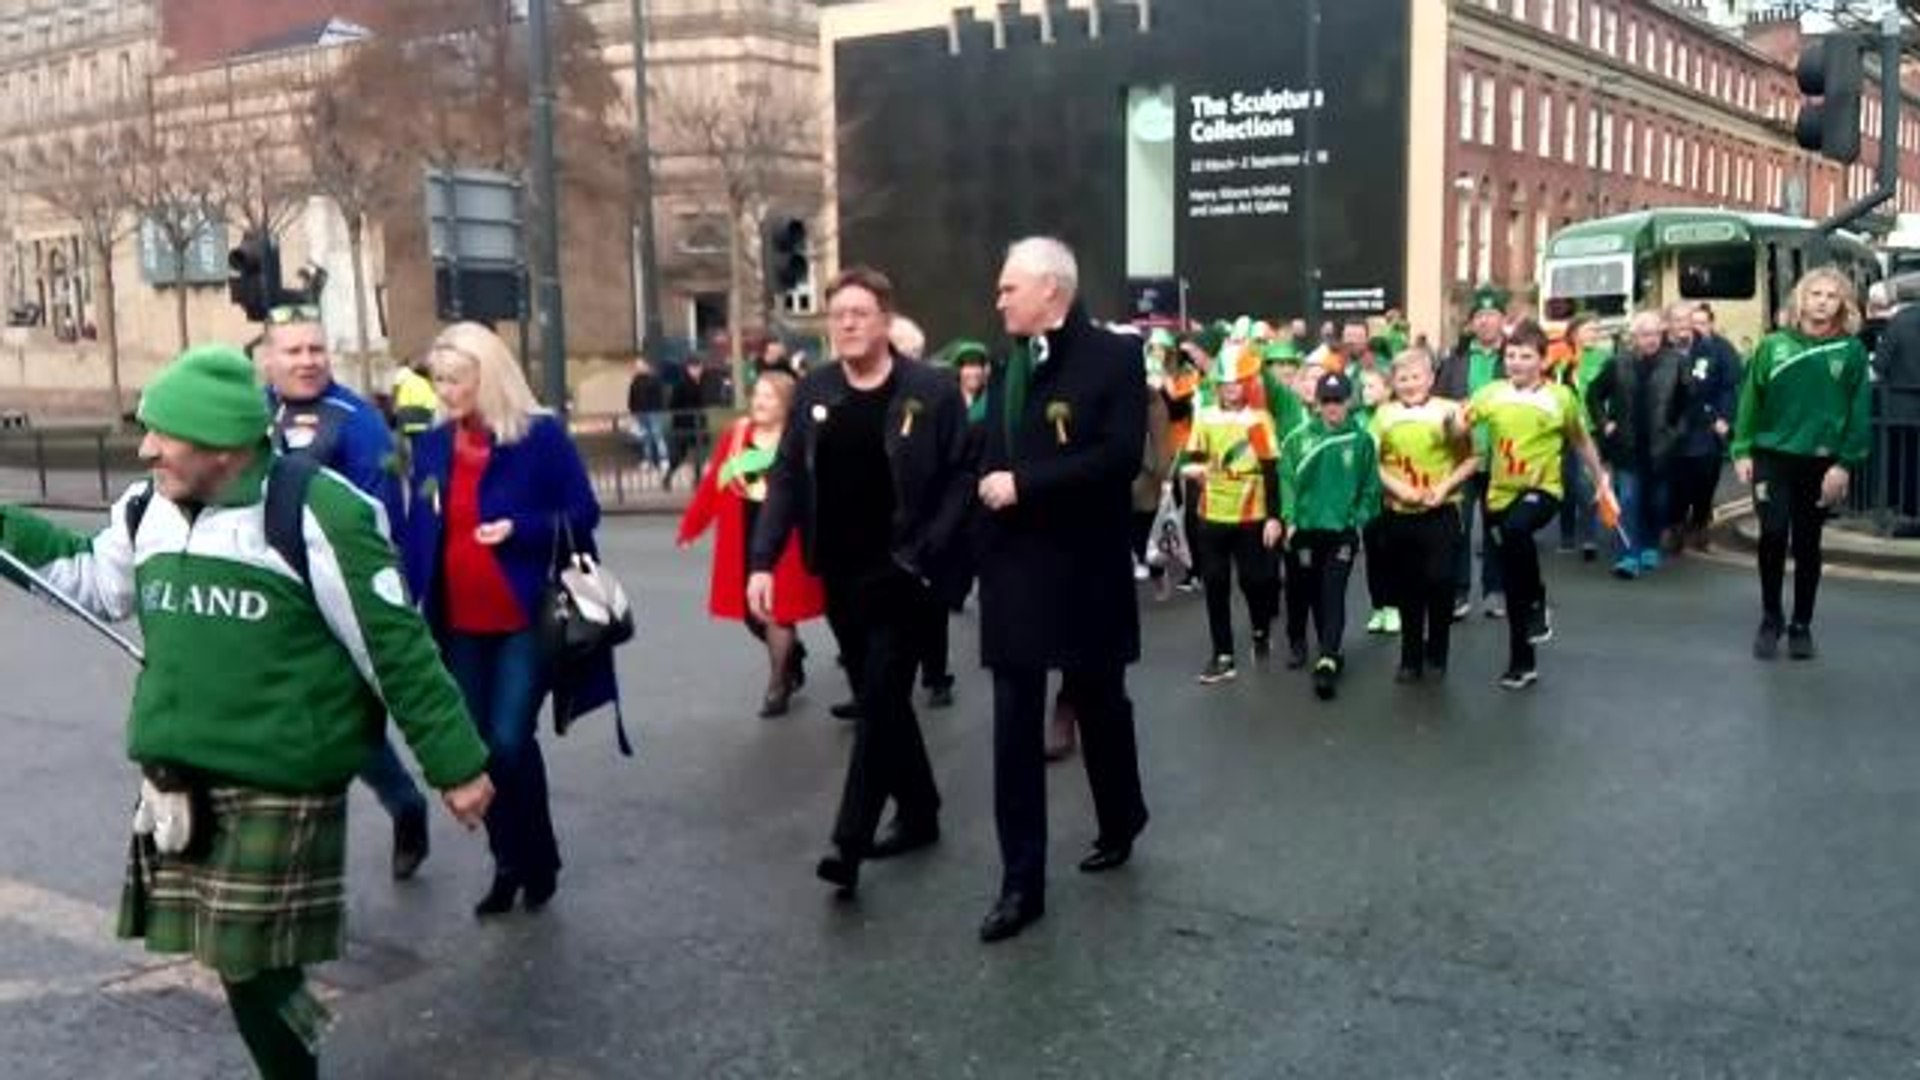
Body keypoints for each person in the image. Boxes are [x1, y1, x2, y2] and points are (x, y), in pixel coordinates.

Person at [0, 345, 493, 1079]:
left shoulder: (319, 512)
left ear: (223, 448)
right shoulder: (145, 509)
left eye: (163, 435)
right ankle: (295, 1046)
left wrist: (455, 764)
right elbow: (93, 581)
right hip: (182, 777)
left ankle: (295, 1061)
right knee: (238, 961)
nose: (146, 449)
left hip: (282, 777)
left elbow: (394, 645)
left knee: (248, 963)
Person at [748, 266, 974, 899]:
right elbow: (787, 475)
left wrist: (931, 548)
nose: (846, 323)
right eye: (838, 314)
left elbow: (961, 473)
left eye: (859, 313)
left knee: (878, 701)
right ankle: (920, 809)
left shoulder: (930, 389)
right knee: (883, 700)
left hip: (905, 572)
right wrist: (762, 560)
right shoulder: (816, 388)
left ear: (885, 321)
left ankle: (847, 843)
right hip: (840, 575)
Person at [401, 321, 617, 917]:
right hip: (458, 620)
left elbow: (583, 512)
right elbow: (419, 526)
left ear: (489, 376)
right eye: (439, 380)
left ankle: (536, 859)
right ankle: (509, 861)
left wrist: (519, 529)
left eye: (457, 379)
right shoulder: (432, 444)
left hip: (526, 613)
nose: (445, 391)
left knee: (509, 739)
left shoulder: (538, 436)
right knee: (479, 750)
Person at [974, 237, 1149, 943]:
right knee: (1013, 728)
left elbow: (1120, 457)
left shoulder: (1114, 358)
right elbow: (987, 462)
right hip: (1014, 573)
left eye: (1008, 288)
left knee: (1099, 701)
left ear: (1051, 289)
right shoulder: (1006, 365)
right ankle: (1021, 884)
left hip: (1084, 570)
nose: (999, 301)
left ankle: (1121, 817)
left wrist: (1028, 484)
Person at [258, 303, 433, 882]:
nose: (308, 360)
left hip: (339, 601)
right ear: (268, 358)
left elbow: (384, 519)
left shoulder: (359, 421)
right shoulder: (250, 415)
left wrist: (390, 598)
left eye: (316, 349)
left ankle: (404, 805)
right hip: (270, 604)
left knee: (347, 729)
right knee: (286, 726)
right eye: (294, 350)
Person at [1730, 267, 1872, 661]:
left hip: (1821, 463)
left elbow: (1859, 413)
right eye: (1816, 294)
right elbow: (1750, 400)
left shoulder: (1851, 351)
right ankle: (1770, 617)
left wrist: (1844, 464)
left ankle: (1801, 624)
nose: (1822, 302)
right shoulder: (1773, 346)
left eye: (1831, 296)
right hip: (1772, 457)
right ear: (1801, 300)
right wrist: (1742, 450)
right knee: (1773, 534)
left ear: (1842, 304)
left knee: (1807, 543)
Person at [1461, 321, 1612, 690]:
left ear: (1543, 361)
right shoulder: (1491, 394)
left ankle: (1538, 600)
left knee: (1517, 530)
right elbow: (1459, 426)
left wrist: (1601, 479)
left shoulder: (1560, 397)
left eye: (1525, 356)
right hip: (1499, 493)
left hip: (1543, 490)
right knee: (1513, 579)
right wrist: (1450, 425)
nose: (1516, 362)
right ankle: (1522, 662)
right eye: (1511, 355)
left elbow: (1580, 440)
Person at [679, 367, 823, 717]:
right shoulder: (737, 435)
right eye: (757, 394)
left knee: (777, 609)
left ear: (786, 403)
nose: (759, 402)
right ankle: (791, 655)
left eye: (769, 396)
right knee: (751, 614)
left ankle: (778, 684)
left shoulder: (799, 437)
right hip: (743, 533)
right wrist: (692, 527)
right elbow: (714, 483)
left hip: (786, 538)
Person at [1180, 340, 1283, 684]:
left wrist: (1274, 517)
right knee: (1215, 583)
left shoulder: (1259, 420)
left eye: (1237, 383)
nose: (1230, 389)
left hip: (1251, 514)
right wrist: (1191, 470)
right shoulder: (1205, 416)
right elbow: (1193, 458)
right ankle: (1222, 655)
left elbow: (1270, 469)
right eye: (1225, 383)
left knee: (1254, 580)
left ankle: (1260, 628)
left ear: (1248, 384)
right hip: (1211, 512)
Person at [1372, 347, 1477, 682]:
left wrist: (1444, 487)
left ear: (1430, 378)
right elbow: (1370, 462)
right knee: (1408, 587)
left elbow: (1472, 459)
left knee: (1440, 581)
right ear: (1393, 383)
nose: (1410, 384)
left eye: (1416, 376)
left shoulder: (1450, 411)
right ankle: (1410, 657)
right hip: (1400, 513)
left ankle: (1438, 651)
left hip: (1441, 510)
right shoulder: (1383, 415)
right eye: (1402, 378)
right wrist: (1398, 489)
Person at [1278, 370, 1380, 700]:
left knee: (1332, 592)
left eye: (1338, 400)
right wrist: (1289, 518)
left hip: (1341, 533)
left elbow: (1370, 488)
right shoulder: (1297, 439)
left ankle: (1328, 656)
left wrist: (1357, 518)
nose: (1332, 407)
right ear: (1317, 403)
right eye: (1326, 401)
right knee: (1303, 591)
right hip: (1305, 530)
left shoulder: (1361, 441)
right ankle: (1298, 639)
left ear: (1349, 402)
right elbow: (1286, 480)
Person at [1586, 310, 1689, 579]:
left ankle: (1650, 543)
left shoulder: (1676, 363)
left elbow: (1688, 403)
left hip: (1661, 446)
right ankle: (1628, 555)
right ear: (1634, 337)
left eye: (1655, 334)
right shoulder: (1618, 363)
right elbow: (1594, 394)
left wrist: (1676, 433)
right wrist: (1605, 423)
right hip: (1626, 445)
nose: (1651, 339)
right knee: (1629, 500)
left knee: (1657, 502)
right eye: (1644, 334)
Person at [1436, 286, 1509, 619]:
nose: (1485, 322)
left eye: (1492, 316)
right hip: (1462, 456)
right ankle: (1459, 591)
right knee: (1458, 527)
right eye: (1480, 316)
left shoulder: (1512, 358)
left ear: (1502, 320)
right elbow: (1438, 402)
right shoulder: (1456, 360)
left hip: (1501, 457)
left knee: (1496, 526)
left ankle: (1495, 590)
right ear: (1472, 323)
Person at [1674, 303, 1742, 551]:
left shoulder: (1721, 349)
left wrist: (1725, 417)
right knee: (1679, 480)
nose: (1697, 327)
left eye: (1702, 322)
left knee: (1706, 476)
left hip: (1708, 425)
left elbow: (1729, 387)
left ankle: (1700, 524)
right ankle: (1676, 526)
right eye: (1693, 322)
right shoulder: (1677, 348)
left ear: (1711, 323)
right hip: (1680, 426)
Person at [1555, 315, 1610, 560]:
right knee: (1565, 483)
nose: (1594, 334)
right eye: (1589, 329)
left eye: (1596, 330)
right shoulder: (1562, 358)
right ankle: (1567, 535)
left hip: (1590, 429)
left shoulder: (1605, 359)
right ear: (1574, 333)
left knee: (1585, 482)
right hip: (1562, 428)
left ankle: (1589, 537)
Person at [625, 355, 671, 475]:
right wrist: (633, 411)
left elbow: (660, 397)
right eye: (636, 365)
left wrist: (659, 410)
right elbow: (632, 398)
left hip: (653, 412)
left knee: (657, 435)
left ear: (646, 366)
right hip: (641, 413)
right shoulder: (635, 381)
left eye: (639, 365)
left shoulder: (654, 379)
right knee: (646, 438)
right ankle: (647, 460)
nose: (637, 367)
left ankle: (664, 460)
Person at [391, 353, 440, 439]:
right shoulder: (427, 384)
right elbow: (432, 404)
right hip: (423, 422)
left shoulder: (407, 382)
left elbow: (401, 402)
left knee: (410, 442)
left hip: (407, 421)